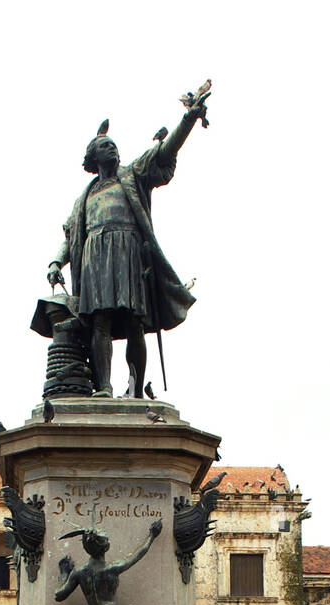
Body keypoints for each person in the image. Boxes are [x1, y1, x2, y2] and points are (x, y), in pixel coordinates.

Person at [46, 88, 210, 398]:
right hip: (94, 257)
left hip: (128, 253)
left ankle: (135, 389)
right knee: (100, 322)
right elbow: (71, 238)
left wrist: (189, 118)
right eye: (106, 146)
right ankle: (104, 387)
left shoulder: (132, 175)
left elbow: (164, 152)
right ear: (94, 158)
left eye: (114, 146)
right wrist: (56, 261)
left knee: (135, 321)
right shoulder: (84, 198)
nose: (113, 150)